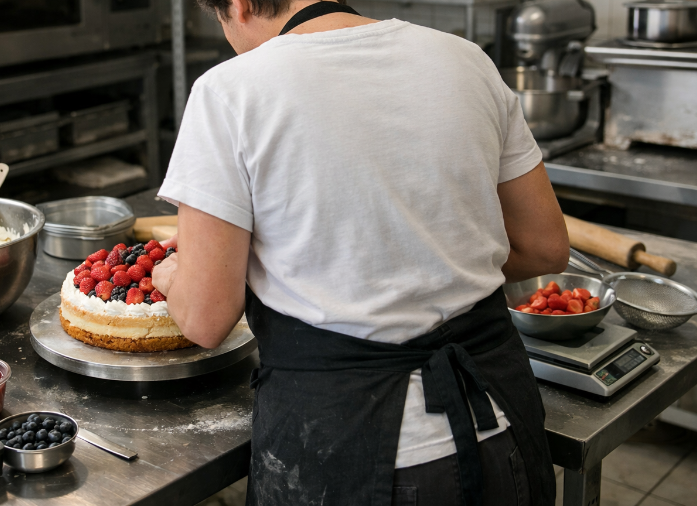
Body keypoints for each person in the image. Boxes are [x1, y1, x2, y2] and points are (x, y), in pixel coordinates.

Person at [150, 0, 570, 503]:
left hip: (347, 449)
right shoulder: (466, 58)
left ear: (237, 7)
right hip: (503, 426)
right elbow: (544, 248)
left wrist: (175, 274)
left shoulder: (229, 89)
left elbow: (205, 319)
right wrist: (432, 262)